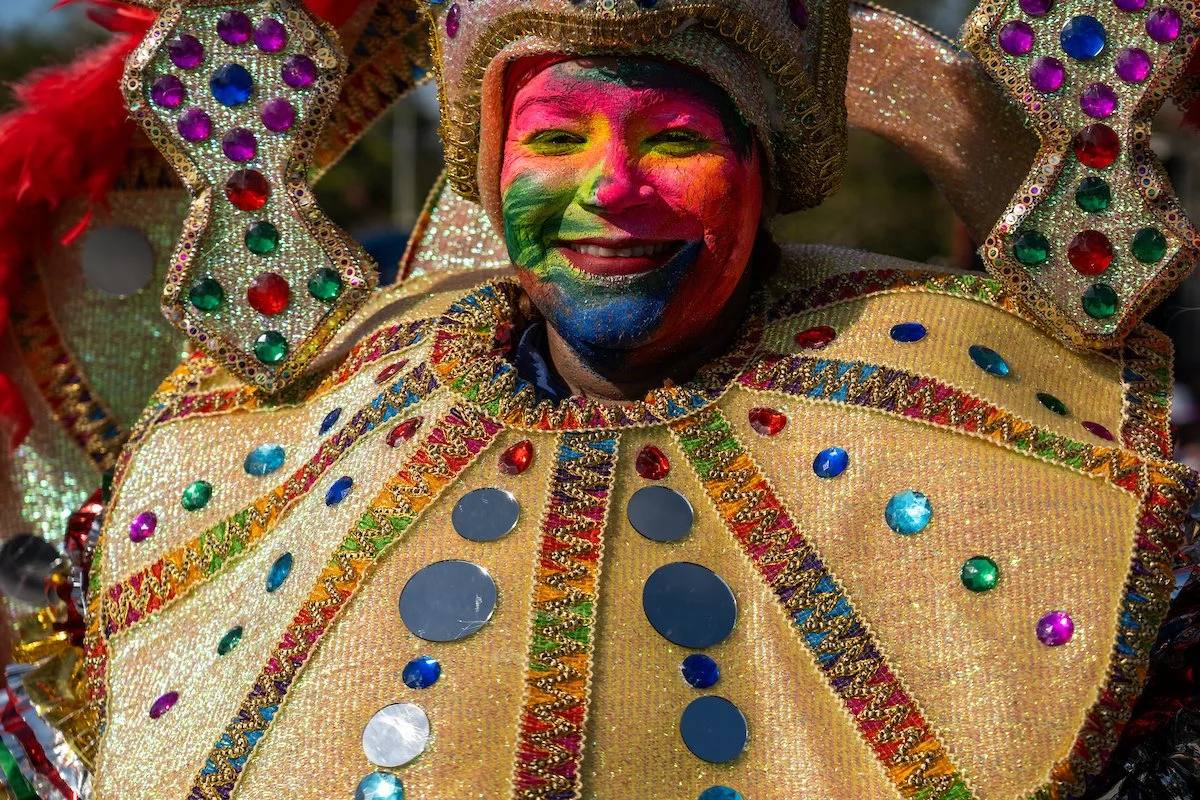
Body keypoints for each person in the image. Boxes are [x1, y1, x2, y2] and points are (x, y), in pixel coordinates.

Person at [1, 1, 1198, 799]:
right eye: (558, 135)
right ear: (490, 166)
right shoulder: (311, 415)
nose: (610, 191)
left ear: (763, 167)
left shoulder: (991, 432)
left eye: (671, 139)